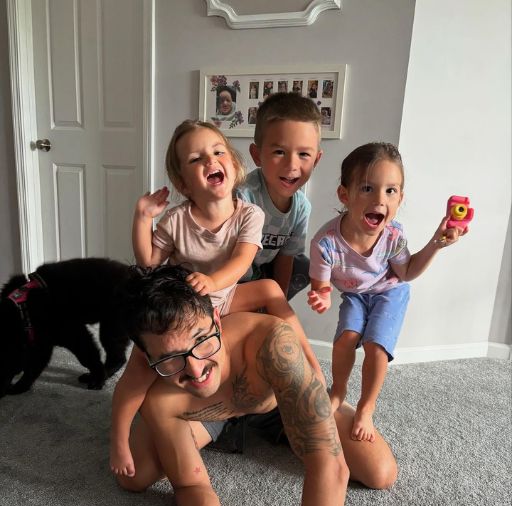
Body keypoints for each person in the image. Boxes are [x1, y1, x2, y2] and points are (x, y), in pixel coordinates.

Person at [115, 264, 397, 506]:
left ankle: (307, 415)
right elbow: (190, 486)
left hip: (275, 402)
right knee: (136, 477)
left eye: (202, 341)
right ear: (146, 358)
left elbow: (330, 468)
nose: (195, 370)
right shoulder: (160, 395)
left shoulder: (271, 341)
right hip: (207, 414)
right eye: (170, 358)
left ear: (217, 319)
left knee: (379, 471)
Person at [111, 120, 324, 477]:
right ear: (183, 183)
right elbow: (147, 263)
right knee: (138, 368)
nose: (210, 160)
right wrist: (142, 217)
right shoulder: (176, 220)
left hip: (225, 295)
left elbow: (242, 261)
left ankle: (311, 363)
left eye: (217, 152)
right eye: (196, 159)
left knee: (271, 290)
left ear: (234, 165)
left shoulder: (249, 214)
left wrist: (212, 282)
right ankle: (118, 438)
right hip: (188, 313)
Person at [308, 142, 467, 442]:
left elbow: (406, 273)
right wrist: (322, 295)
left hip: (390, 291)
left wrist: (436, 243)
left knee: (376, 346)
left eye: (390, 191)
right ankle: (338, 389)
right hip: (355, 295)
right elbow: (322, 285)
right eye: (367, 188)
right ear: (345, 195)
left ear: (400, 197)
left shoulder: (393, 235)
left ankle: (366, 407)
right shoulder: (326, 242)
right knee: (346, 339)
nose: (380, 200)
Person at [237, 92, 323, 300]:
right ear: (257, 155)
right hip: (229, 275)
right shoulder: (243, 196)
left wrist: (280, 303)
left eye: (304, 154)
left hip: (262, 271)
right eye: (279, 152)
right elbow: (224, 258)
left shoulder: (301, 207)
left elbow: (285, 258)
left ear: (316, 160)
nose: (292, 165)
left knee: (302, 264)